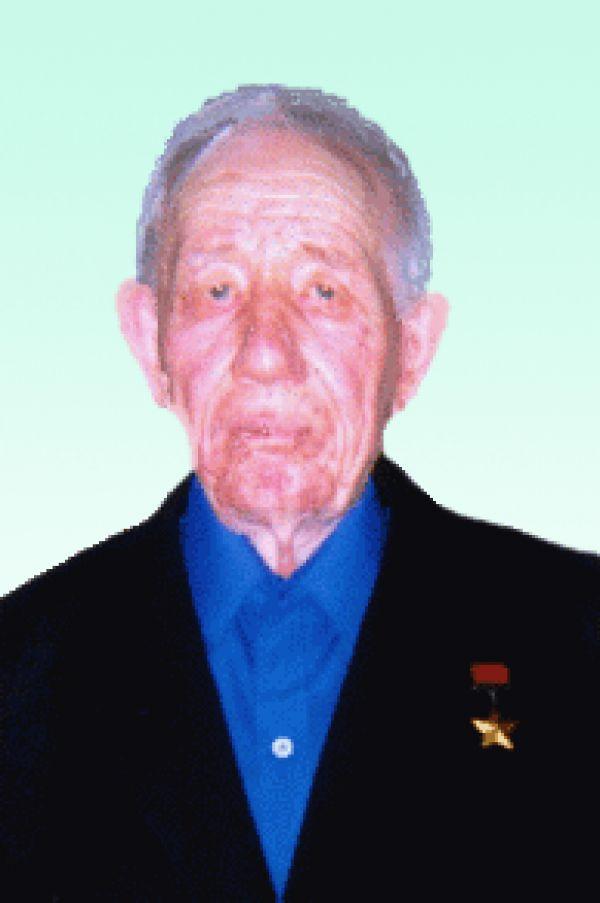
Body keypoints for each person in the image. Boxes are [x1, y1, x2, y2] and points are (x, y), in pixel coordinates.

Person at [2, 84, 599, 901]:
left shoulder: (578, 647)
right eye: (218, 290)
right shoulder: (19, 677)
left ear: (412, 350)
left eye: (323, 291)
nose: (266, 354)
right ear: (149, 341)